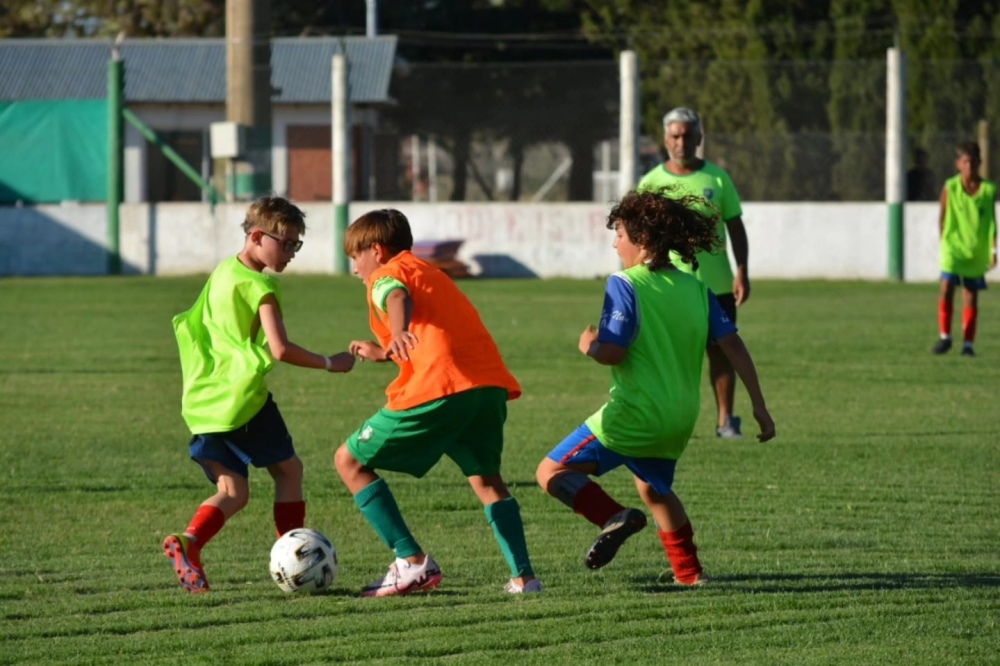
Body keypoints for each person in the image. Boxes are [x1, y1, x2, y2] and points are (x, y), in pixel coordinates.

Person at [535, 188, 775, 584]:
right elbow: (732, 344)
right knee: (655, 490)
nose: (615, 243)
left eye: (621, 235)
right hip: (679, 418)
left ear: (642, 241)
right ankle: (690, 574)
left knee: (549, 472)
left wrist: (588, 345)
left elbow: (613, 352)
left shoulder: (626, 284)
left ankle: (612, 516)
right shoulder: (696, 289)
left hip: (634, 413)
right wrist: (759, 406)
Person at [334, 208, 541, 597]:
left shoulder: (386, 273)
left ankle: (410, 561)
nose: (355, 268)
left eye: (355, 257)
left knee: (349, 461)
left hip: (440, 389)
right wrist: (385, 351)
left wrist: (396, 332)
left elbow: (394, 295)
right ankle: (524, 578)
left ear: (376, 250)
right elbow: (431, 329)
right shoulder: (431, 273)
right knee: (487, 481)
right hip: (486, 386)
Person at [163, 196, 356, 593]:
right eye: (284, 243)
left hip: (203, 403)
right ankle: (298, 556)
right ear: (256, 236)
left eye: (295, 245)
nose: (290, 253)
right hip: (243, 400)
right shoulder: (261, 285)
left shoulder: (222, 272)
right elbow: (280, 348)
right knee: (289, 470)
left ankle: (189, 542)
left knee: (232, 491)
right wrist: (329, 362)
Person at [637, 106, 750, 439]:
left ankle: (726, 421)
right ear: (665, 139)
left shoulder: (717, 178)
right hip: (667, 287)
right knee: (669, 357)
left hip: (715, 287)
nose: (681, 142)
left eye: (687, 135)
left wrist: (742, 270)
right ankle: (668, 420)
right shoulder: (652, 182)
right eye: (675, 136)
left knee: (722, 350)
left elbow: (736, 227)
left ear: (699, 137)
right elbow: (638, 236)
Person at [932, 141, 997, 356]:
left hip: (975, 250)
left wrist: (993, 250)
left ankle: (968, 345)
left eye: (973, 162)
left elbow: (992, 222)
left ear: (979, 162)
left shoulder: (988, 190)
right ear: (958, 164)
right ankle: (945, 337)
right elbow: (941, 216)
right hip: (953, 249)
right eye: (965, 162)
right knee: (946, 287)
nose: (969, 166)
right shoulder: (950, 187)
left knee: (970, 294)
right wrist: (944, 242)